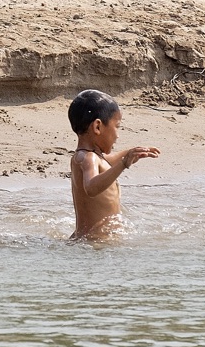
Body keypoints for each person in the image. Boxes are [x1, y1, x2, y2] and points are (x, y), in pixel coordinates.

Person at [67, 89, 160, 241]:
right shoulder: (88, 158)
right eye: (117, 126)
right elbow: (91, 187)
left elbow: (107, 162)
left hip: (92, 242)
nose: (118, 134)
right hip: (95, 244)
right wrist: (124, 164)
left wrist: (130, 153)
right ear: (97, 127)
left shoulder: (88, 157)